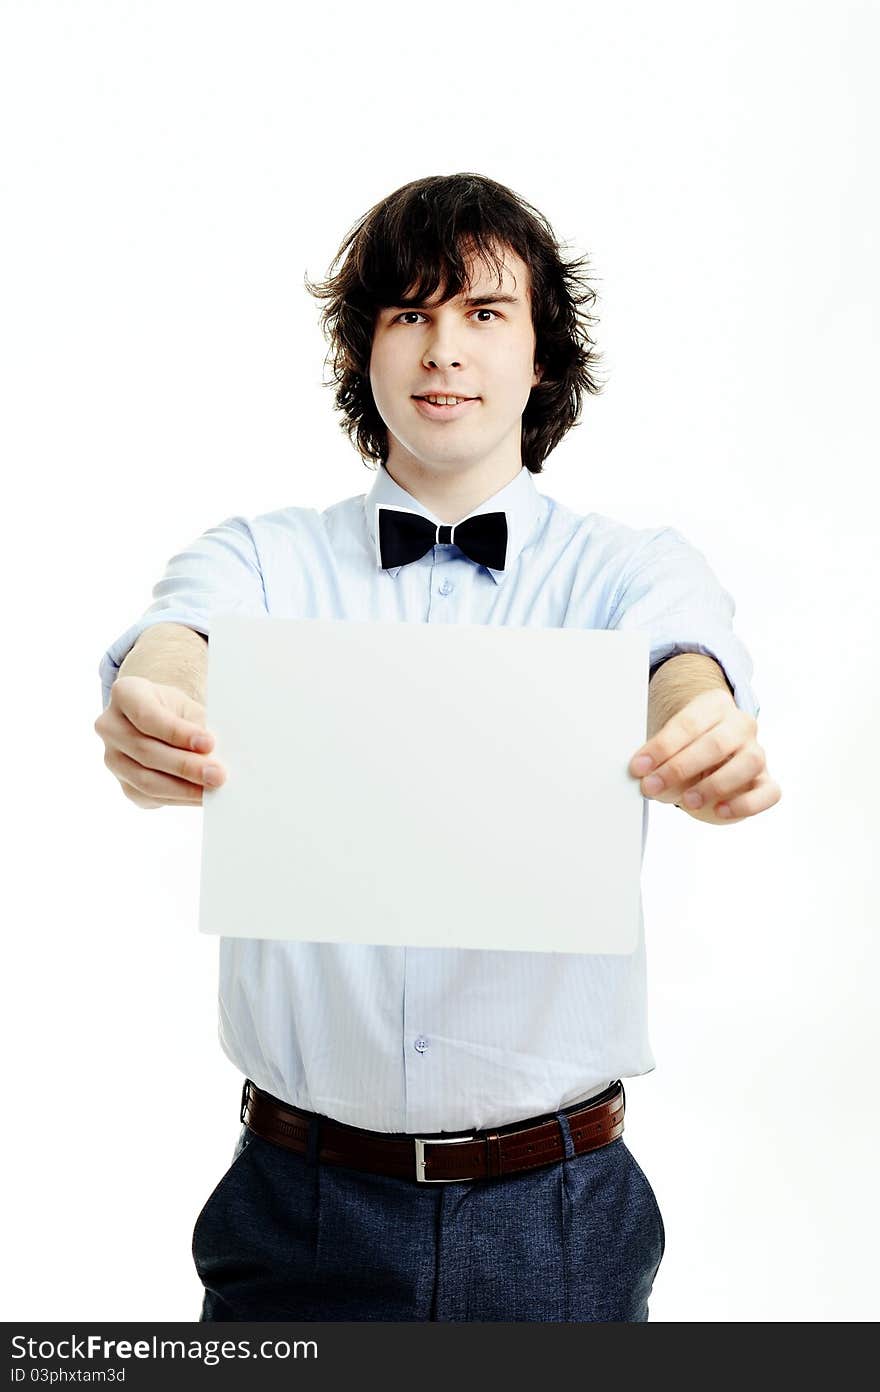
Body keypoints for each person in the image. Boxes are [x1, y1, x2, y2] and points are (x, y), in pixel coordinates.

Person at [93, 172, 781, 1322]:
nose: (441, 349)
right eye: (407, 315)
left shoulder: (628, 567)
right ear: (364, 352)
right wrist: (155, 696)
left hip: (559, 1211)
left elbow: (685, 655)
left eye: (481, 314)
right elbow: (175, 635)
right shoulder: (263, 559)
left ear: (540, 354)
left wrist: (698, 718)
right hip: (296, 1204)